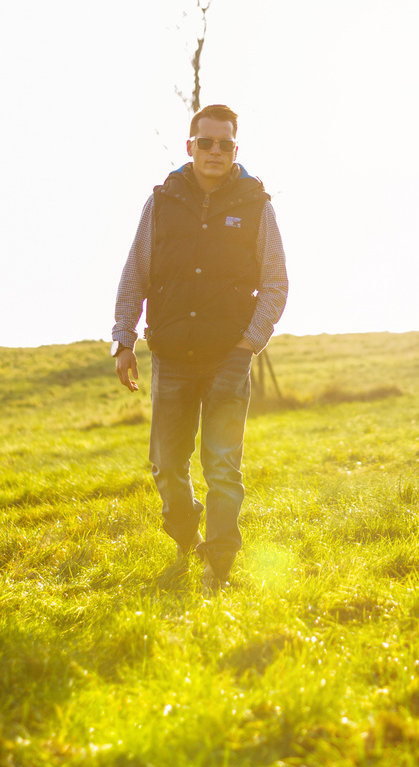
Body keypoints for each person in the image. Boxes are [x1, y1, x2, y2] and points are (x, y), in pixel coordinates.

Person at [111, 104, 288, 594]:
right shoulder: (161, 202)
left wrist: (248, 343)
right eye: (205, 142)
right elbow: (136, 274)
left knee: (222, 465)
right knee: (167, 464)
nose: (215, 151)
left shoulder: (257, 205)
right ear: (190, 147)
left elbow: (275, 283)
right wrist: (124, 339)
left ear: (236, 149)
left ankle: (220, 564)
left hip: (228, 357)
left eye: (224, 144)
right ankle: (187, 535)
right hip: (170, 356)